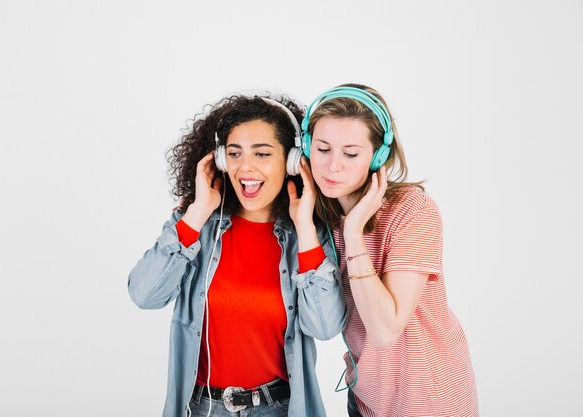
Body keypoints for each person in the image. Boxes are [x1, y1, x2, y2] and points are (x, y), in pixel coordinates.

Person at [128, 94, 346, 417]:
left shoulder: (306, 238)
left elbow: (325, 327)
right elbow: (144, 294)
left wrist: (304, 227)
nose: (246, 167)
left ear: (291, 161)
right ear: (219, 160)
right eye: (234, 153)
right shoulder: (197, 228)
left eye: (262, 153)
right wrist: (199, 211)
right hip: (202, 408)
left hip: (279, 409)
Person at [302, 84, 479, 416]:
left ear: (379, 156)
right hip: (365, 396)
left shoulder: (413, 210)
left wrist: (354, 232)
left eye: (351, 153)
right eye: (322, 149)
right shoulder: (316, 216)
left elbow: (385, 330)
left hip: (430, 398)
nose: (332, 166)